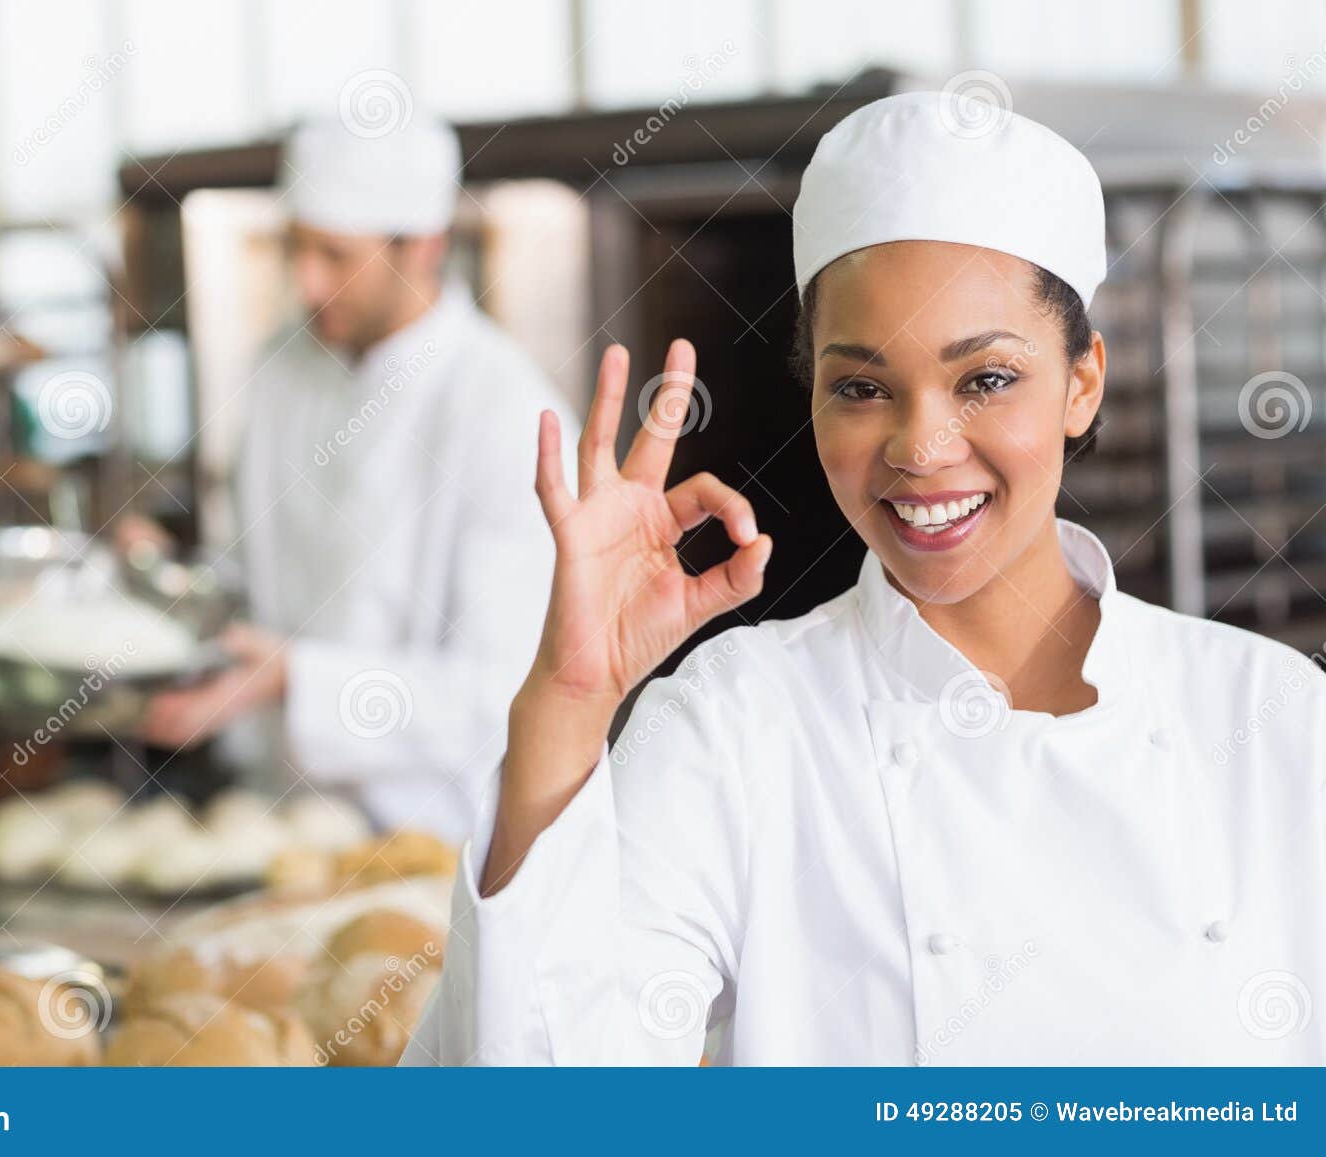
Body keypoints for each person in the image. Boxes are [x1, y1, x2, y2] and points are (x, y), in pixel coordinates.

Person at [403, 91, 1326, 1065]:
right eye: (861, 387)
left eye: (986, 378)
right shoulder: (735, 725)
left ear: (1082, 379)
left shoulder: (1273, 716)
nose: (921, 447)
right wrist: (570, 697)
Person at [134, 114, 578, 842]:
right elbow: (255, 575)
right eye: (296, 249)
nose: (307, 283)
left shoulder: (506, 411)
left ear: (423, 246)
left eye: (335, 256)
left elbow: (504, 693)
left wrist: (297, 679)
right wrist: (168, 581)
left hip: (437, 845)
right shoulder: (282, 367)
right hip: (274, 826)